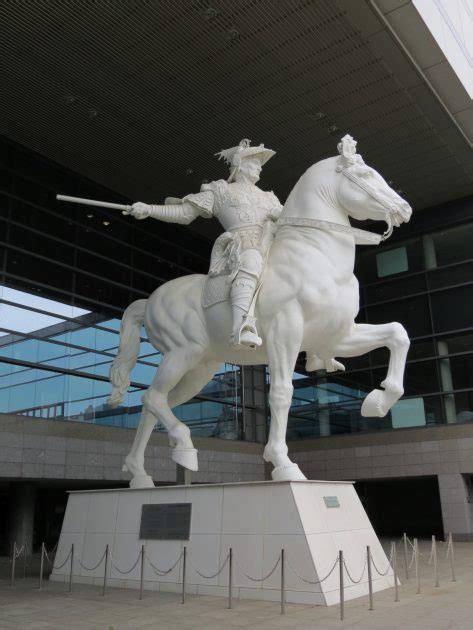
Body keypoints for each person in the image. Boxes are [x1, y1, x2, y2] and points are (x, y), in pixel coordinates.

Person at [129, 139, 282, 349]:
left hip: (272, 244)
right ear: (239, 164)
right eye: (255, 162)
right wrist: (149, 209)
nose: (259, 167)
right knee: (251, 259)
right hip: (242, 246)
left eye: (259, 164)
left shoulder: (270, 198)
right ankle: (243, 325)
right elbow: (184, 214)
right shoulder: (220, 191)